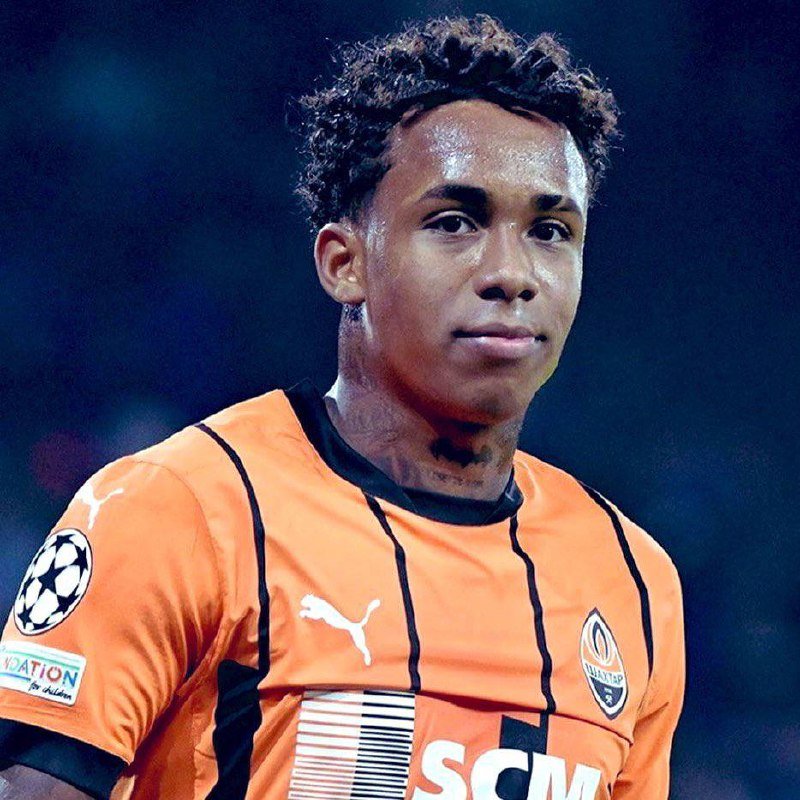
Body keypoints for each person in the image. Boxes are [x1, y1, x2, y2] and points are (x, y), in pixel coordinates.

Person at [0, 15, 684, 800]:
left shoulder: (632, 582)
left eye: (551, 230)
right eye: (454, 222)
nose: (512, 273)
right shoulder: (182, 511)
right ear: (343, 262)